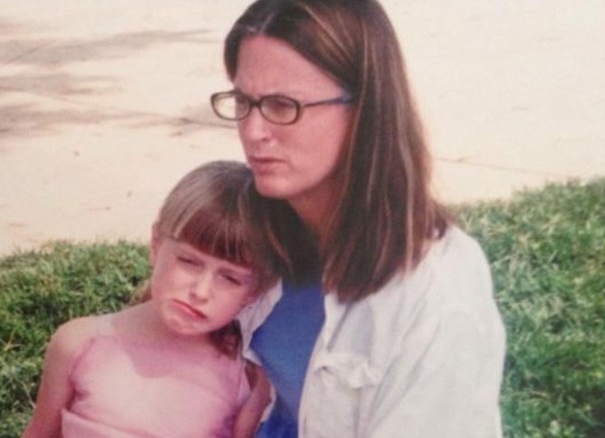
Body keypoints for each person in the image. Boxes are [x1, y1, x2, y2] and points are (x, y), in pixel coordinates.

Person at [209, 0, 507, 437]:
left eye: (282, 105)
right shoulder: (250, 229)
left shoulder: (436, 290)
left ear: (363, 110)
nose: (253, 131)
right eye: (244, 101)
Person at [21, 160, 277, 438]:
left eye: (230, 278)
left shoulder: (246, 378)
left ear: (254, 291)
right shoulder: (80, 343)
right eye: (189, 261)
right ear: (156, 244)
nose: (201, 292)